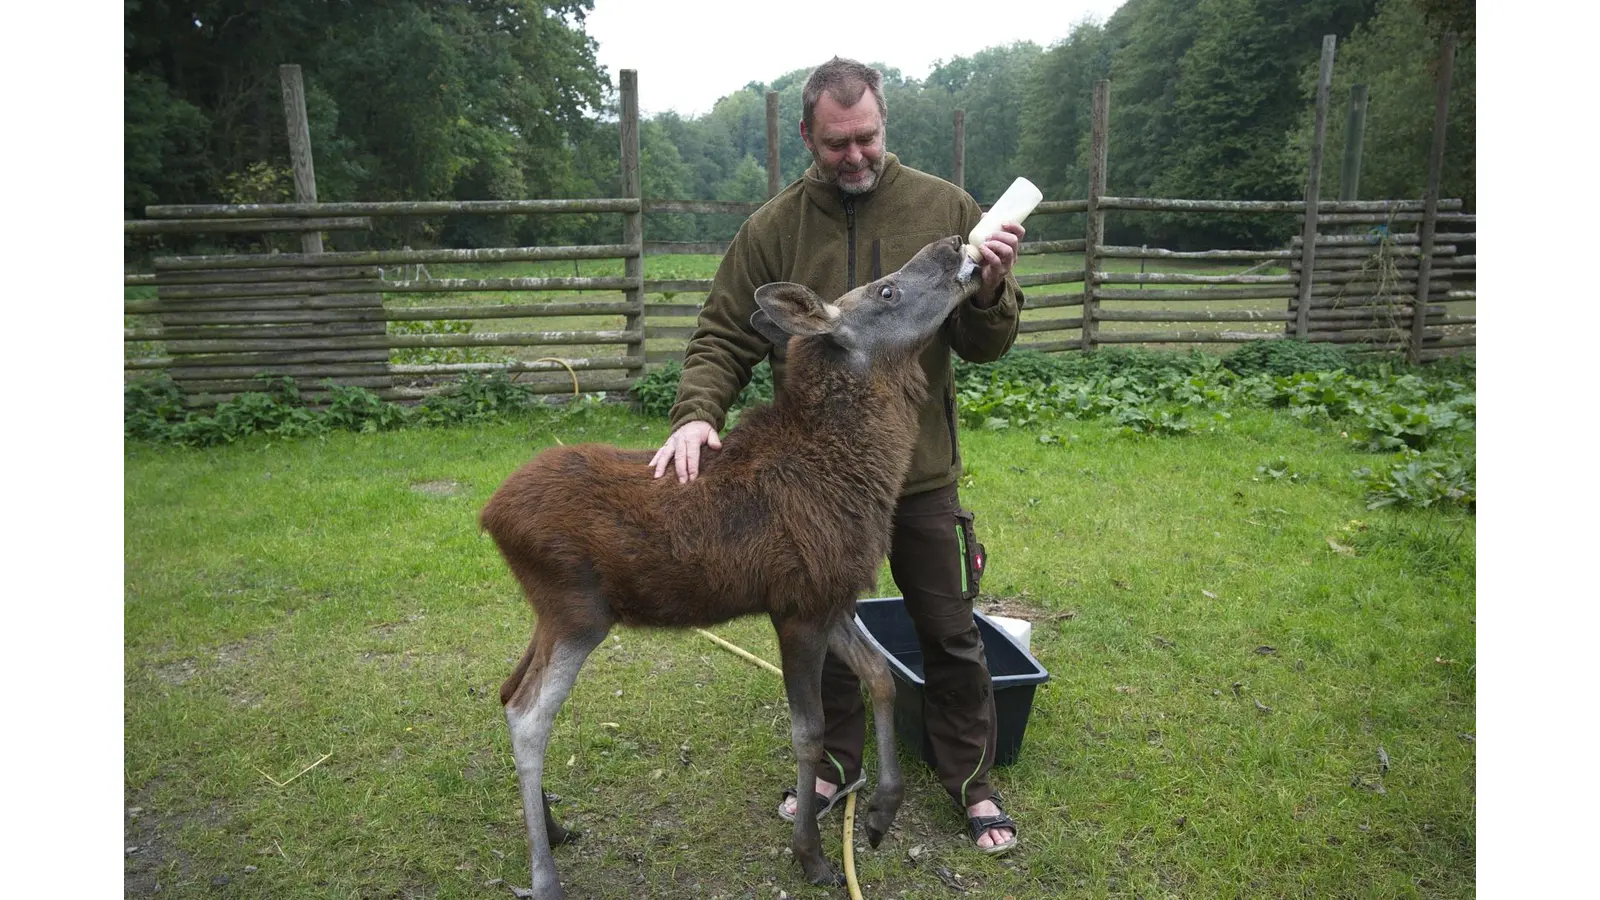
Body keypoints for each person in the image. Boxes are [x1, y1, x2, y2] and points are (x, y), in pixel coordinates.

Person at [648, 57, 1025, 855]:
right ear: (806, 137)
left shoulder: (944, 206)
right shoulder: (774, 228)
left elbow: (985, 344)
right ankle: (836, 765)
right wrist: (693, 416)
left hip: (914, 470)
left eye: (867, 139)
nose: (854, 156)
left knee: (949, 627)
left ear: (885, 123)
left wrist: (992, 291)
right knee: (815, 619)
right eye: (835, 144)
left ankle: (970, 779)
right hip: (815, 483)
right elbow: (722, 332)